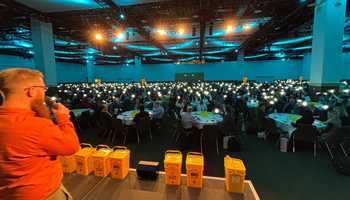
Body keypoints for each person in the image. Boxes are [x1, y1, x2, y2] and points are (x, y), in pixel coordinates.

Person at [0, 68, 80, 200]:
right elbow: (71, 146)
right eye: (43, 89)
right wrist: (64, 118)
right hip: (43, 193)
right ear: (31, 91)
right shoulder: (37, 127)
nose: (44, 93)